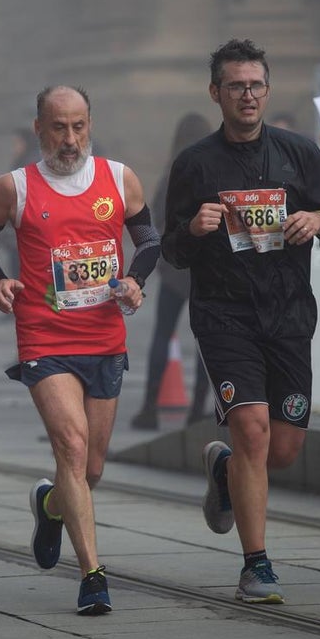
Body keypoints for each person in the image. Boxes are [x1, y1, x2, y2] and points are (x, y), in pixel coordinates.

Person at [163, 38, 320, 605]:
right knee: (251, 429)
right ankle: (257, 565)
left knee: (283, 448)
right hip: (224, 316)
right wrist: (193, 229)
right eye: (236, 86)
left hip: (289, 314)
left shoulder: (298, 153)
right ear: (215, 92)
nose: (247, 95)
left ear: (268, 90)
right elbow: (170, 250)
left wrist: (318, 219)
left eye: (256, 85)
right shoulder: (194, 164)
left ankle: (226, 473)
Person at [0, 85, 158, 614]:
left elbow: (150, 241)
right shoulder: (13, 187)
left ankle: (51, 504)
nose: (69, 139)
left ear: (90, 125)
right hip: (44, 338)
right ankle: (93, 575)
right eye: (58, 128)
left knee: (90, 469)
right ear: (39, 129)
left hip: (104, 340)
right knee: (71, 448)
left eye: (78, 127)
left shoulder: (119, 179)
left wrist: (135, 281)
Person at [130, 112, 213, 430]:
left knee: (162, 334)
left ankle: (149, 408)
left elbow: (156, 218)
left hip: (175, 268)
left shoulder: (172, 172)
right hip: (206, 272)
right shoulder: (213, 171)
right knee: (207, 340)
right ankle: (198, 409)